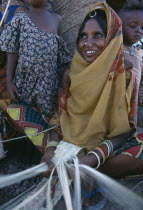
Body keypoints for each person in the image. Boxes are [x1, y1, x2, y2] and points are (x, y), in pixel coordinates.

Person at [41, 1, 143, 189]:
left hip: (105, 148)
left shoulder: (125, 76)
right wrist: (50, 150)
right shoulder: (71, 72)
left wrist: (92, 158)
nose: (88, 43)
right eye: (83, 36)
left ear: (112, 38)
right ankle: (86, 174)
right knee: (16, 109)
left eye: (98, 35)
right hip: (68, 141)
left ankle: (93, 174)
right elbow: (59, 117)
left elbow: (126, 130)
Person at [0, 0, 71, 152]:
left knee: (45, 115)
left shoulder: (56, 19)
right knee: (21, 113)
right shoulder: (21, 17)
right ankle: (26, 147)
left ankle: (42, 149)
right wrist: (10, 80)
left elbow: (60, 53)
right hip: (24, 82)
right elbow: (11, 50)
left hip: (47, 85)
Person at [118, 0, 143, 132]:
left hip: (133, 107)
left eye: (142, 27)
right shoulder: (115, 49)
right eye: (133, 26)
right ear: (119, 26)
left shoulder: (140, 52)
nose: (138, 31)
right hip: (116, 104)